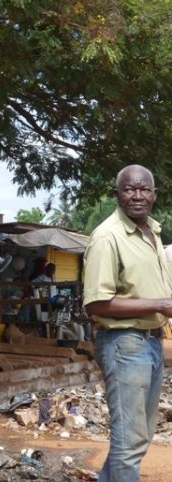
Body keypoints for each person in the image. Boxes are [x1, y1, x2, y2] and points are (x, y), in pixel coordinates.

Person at [83, 164, 172, 482]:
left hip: (150, 341)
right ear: (117, 194)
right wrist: (162, 304)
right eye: (129, 189)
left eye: (144, 189)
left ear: (154, 195)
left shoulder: (152, 232)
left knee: (140, 436)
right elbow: (95, 302)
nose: (137, 196)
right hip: (124, 343)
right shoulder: (108, 237)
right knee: (128, 442)